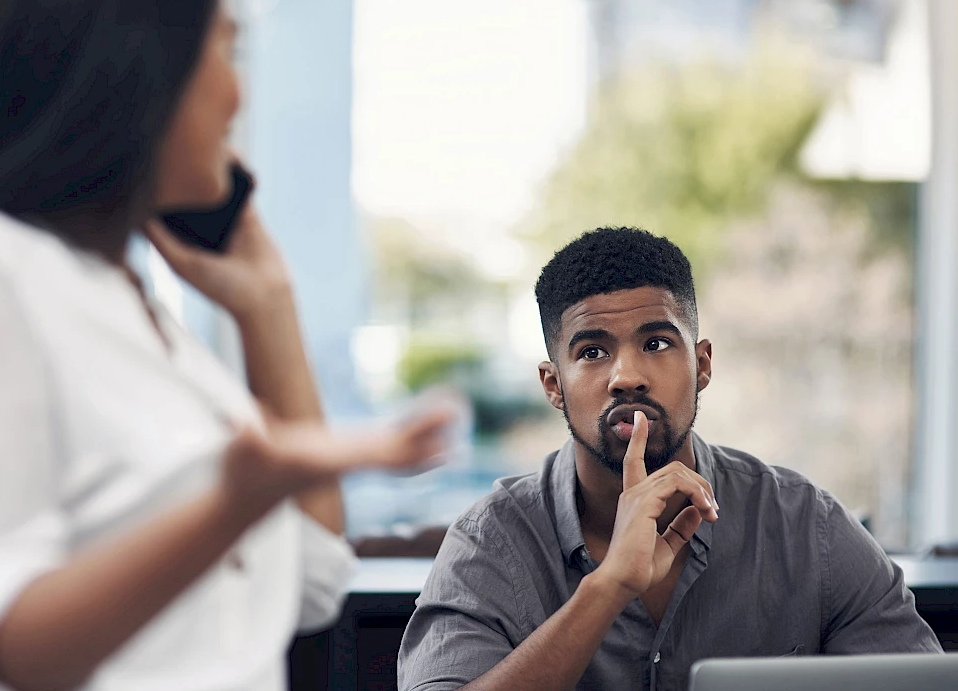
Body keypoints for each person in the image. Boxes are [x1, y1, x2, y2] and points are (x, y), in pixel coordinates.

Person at [0, 0, 455, 690]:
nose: (237, 93)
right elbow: (2, 643)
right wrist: (233, 502)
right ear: (129, 66)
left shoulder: (131, 309)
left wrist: (269, 308)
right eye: (223, 48)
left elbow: (313, 578)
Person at [397, 227, 942, 691]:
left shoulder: (806, 525)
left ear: (702, 365)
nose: (626, 376)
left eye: (657, 343)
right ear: (553, 385)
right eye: (592, 352)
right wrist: (608, 587)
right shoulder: (491, 540)